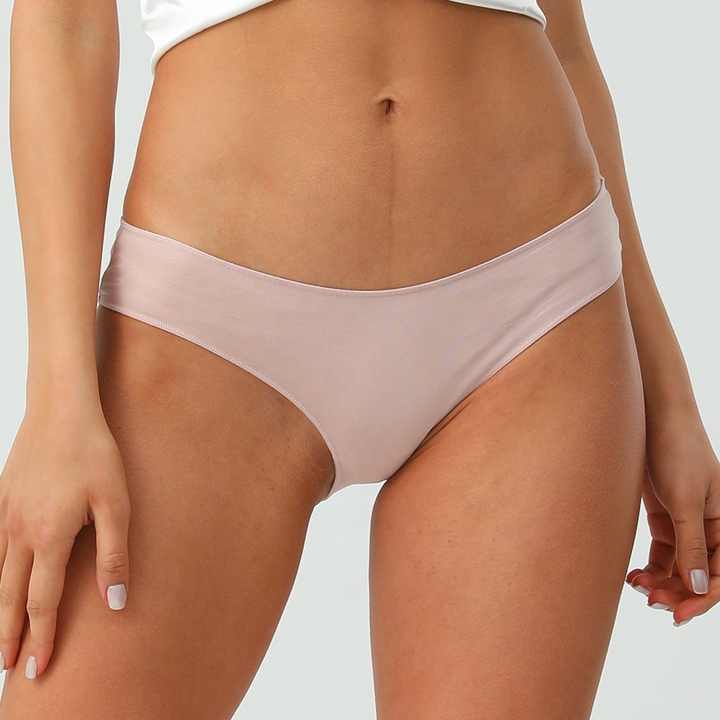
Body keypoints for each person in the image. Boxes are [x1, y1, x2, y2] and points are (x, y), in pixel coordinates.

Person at [1, 1, 717, 718]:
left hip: (535, 314)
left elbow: (565, 41)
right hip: (206, 326)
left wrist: (669, 395)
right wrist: (58, 404)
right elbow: (64, 21)